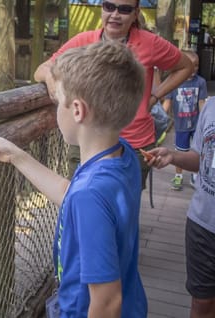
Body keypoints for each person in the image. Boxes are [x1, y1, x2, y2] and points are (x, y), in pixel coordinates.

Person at [0, 41, 147, 317]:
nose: (56, 110)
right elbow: (69, 193)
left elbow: (107, 302)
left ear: (77, 110)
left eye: (57, 102)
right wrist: (16, 156)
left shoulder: (90, 194)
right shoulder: (121, 157)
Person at [34, 0, 194, 188]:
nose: (115, 14)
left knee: (123, 205)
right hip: (87, 140)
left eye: (124, 10)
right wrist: (54, 85)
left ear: (136, 13)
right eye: (109, 7)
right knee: (78, 198)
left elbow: (186, 66)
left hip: (134, 142)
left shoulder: (150, 43)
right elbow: (42, 69)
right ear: (102, 8)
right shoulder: (84, 40)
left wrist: (154, 97)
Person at [146, 98, 215, 318]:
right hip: (203, 224)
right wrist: (173, 156)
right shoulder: (211, 107)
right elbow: (200, 158)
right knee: (201, 301)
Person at [162, 50, 208, 191]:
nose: (193, 69)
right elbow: (167, 104)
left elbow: (201, 103)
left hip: (196, 125)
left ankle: (195, 175)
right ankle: (178, 176)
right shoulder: (173, 82)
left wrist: (205, 123)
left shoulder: (200, 82)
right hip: (181, 125)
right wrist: (160, 121)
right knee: (180, 152)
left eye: (196, 66)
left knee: (198, 151)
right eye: (190, 65)